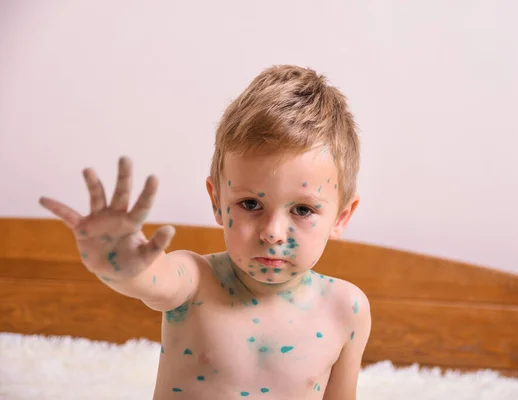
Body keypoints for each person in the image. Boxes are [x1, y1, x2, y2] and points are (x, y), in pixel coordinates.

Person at [39, 65, 371, 399]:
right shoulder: (195, 282)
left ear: (341, 217)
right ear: (217, 201)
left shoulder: (345, 309)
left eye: (302, 210)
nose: (272, 233)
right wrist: (119, 263)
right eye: (250, 204)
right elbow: (152, 279)